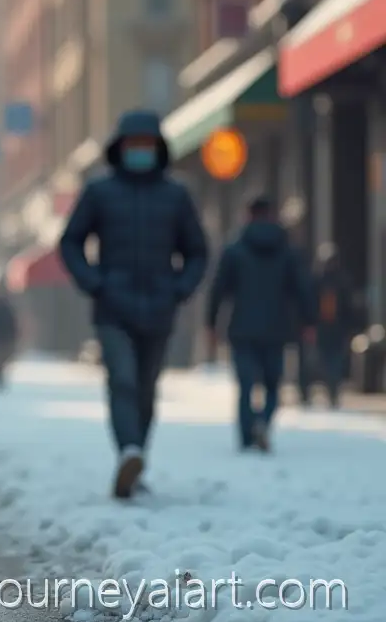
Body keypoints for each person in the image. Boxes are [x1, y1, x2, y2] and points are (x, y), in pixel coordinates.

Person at [58, 110, 207, 499]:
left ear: (158, 148)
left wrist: (180, 288)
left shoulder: (176, 195)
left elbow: (197, 251)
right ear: (120, 147)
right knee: (122, 380)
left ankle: (136, 460)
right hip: (113, 308)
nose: (140, 151)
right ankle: (129, 450)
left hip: (159, 308)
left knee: (145, 389)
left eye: (146, 145)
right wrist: (94, 283)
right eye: (133, 145)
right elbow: (70, 242)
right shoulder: (99, 191)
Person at [205, 197, 315, 452]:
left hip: (242, 328)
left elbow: (218, 290)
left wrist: (211, 323)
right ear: (272, 215)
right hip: (277, 328)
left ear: (249, 215)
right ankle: (263, 422)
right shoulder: (288, 251)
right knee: (272, 385)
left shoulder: (234, 250)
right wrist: (309, 321)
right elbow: (302, 288)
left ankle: (247, 435)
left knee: (246, 385)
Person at [312, 243, 356, 408]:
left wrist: (349, 327)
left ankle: (333, 390)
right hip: (324, 328)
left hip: (336, 328)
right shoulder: (317, 281)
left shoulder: (341, 281)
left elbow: (348, 307)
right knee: (326, 360)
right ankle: (331, 389)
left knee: (334, 361)